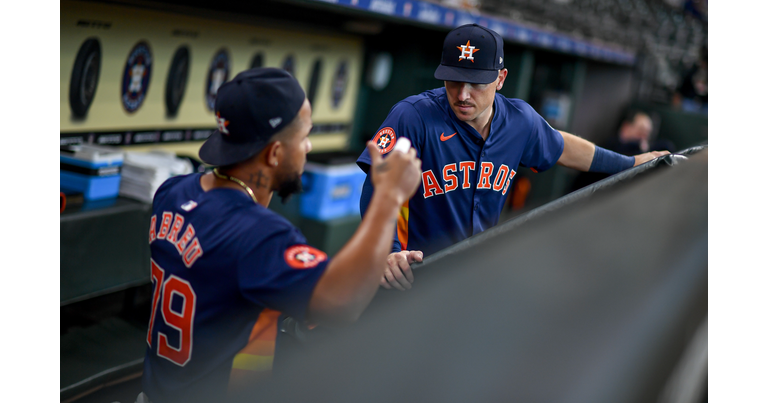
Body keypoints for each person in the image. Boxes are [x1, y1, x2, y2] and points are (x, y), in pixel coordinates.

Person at [139, 68, 421, 403]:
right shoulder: (258, 235)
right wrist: (388, 199)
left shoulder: (173, 191)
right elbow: (342, 303)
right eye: (303, 138)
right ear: (273, 154)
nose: (308, 146)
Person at [357, 24, 668, 291]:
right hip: (413, 274)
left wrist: (631, 164)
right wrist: (387, 251)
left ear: (501, 78)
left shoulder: (520, 121)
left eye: (477, 83)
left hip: (474, 275)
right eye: (453, 80)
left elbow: (563, 147)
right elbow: (376, 186)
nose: (463, 94)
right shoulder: (414, 116)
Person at [570, 110, 676, 192]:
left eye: (647, 134)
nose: (643, 138)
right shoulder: (609, 145)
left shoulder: (639, 149)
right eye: (640, 131)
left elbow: (667, 147)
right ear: (626, 128)